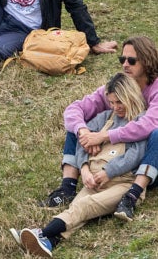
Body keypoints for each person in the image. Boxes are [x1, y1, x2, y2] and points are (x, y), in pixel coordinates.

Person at [15, 71, 148, 256]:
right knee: (76, 211)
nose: (115, 107)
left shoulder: (142, 121)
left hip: (122, 182)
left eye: (119, 102)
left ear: (130, 96)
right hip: (94, 179)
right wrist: (84, 169)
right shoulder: (105, 117)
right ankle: (49, 243)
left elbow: (134, 155)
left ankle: (41, 233)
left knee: (84, 206)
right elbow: (81, 142)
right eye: (111, 102)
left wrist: (108, 172)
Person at [43, 35, 158, 221]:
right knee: (77, 126)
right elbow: (74, 109)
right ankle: (68, 187)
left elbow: (149, 124)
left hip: (151, 160)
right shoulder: (118, 88)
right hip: (119, 161)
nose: (125, 64)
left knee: (157, 135)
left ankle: (132, 194)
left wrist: (105, 136)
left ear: (147, 61)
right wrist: (84, 133)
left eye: (131, 60)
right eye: (122, 59)